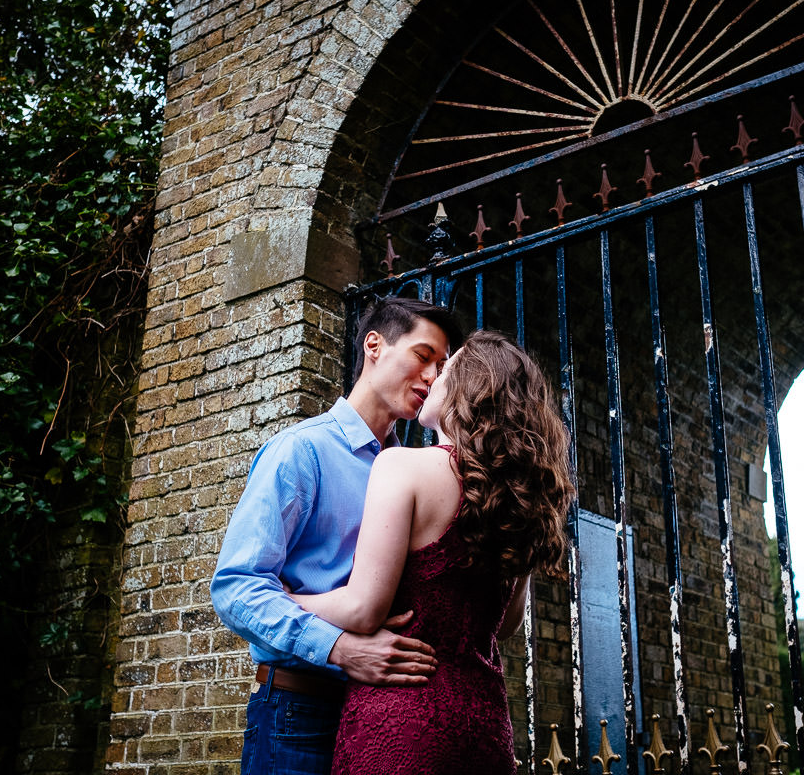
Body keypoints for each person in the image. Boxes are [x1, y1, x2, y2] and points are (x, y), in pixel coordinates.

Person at [289, 329, 575, 774]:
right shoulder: (521, 497)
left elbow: (363, 608)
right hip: (484, 725)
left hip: (403, 718)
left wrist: (286, 598)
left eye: (446, 370)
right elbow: (507, 624)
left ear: (468, 389)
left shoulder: (403, 466)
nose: (433, 379)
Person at [210, 296, 463, 775]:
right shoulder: (301, 451)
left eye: (441, 366)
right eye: (422, 356)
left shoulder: (416, 471)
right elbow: (236, 588)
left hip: (388, 718)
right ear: (374, 346)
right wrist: (340, 648)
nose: (433, 377)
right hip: (299, 715)